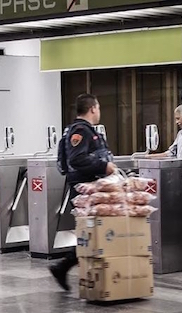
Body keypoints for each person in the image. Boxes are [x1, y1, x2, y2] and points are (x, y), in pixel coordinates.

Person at [49, 93, 117, 291]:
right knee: (92, 234)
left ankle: (68, 268)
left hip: (89, 190)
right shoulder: (81, 130)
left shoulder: (82, 130)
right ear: (93, 108)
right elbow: (77, 160)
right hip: (83, 191)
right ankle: (64, 267)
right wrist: (104, 167)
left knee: (93, 233)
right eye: (98, 108)